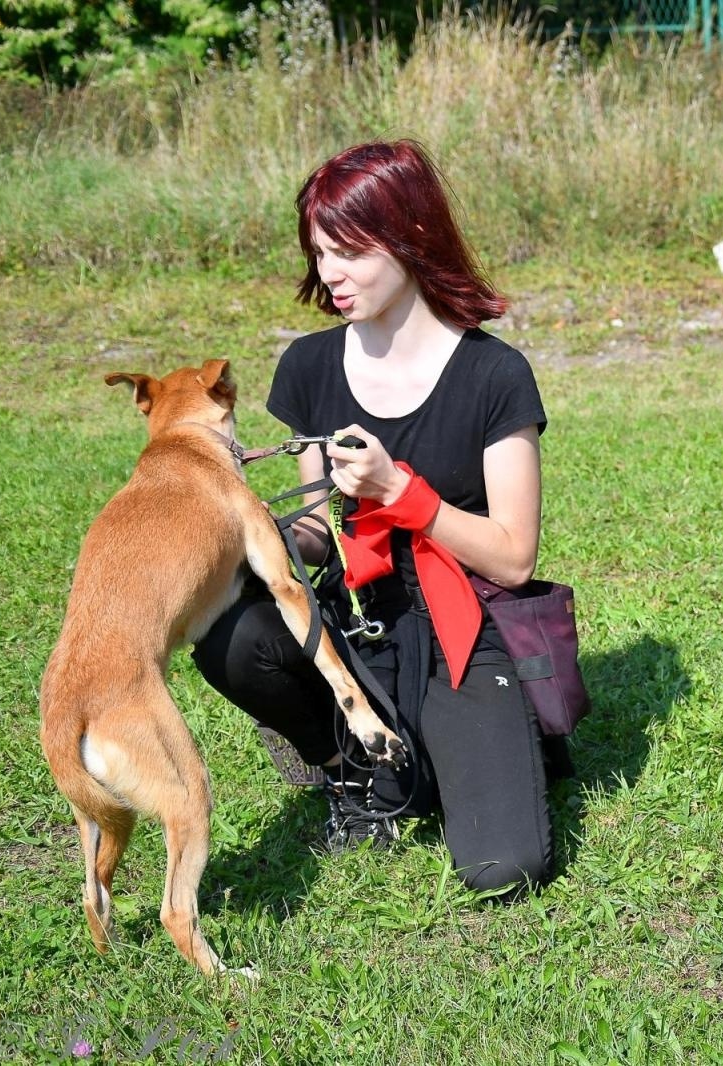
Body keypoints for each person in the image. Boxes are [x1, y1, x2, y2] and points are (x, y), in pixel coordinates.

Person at [191, 140, 555, 895]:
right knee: (231, 636)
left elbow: (515, 557)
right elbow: (321, 531)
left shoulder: (495, 375)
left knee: (503, 867)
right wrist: (261, 537)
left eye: (349, 252)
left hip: (463, 627)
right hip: (360, 617)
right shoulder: (311, 367)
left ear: (411, 238)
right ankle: (349, 773)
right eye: (320, 252)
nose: (330, 274)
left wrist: (400, 491)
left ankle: (470, 745)